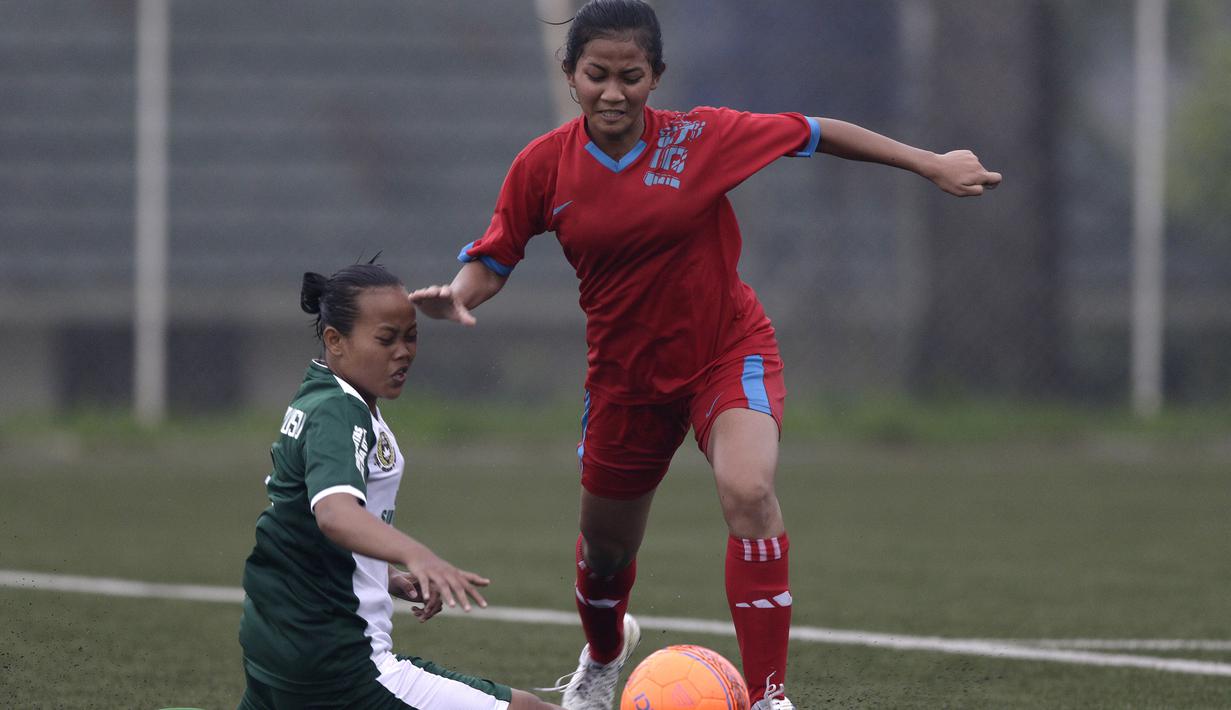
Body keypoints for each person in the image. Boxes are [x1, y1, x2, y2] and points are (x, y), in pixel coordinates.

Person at [410, 2, 1002, 708]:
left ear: (656, 76)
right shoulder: (542, 166)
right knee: (604, 556)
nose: (613, 91)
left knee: (748, 491)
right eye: (596, 74)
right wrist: (463, 292)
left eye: (630, 75)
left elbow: (812, 133)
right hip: (625, 381)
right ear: (570, 76)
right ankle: (602, 659)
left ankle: (769, 696)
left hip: (726, 349)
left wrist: (928, 163)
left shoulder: (699, 138)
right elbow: (496, 252)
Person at [238, 263, 562, 710]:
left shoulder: (324, 395)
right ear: (335, 340)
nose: (404, 352)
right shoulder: (338, 411)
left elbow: (299, 522)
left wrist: (386, 576)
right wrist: (418, 555)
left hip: (280, 647)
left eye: (411, 337)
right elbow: (334, 513)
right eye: (386, 339)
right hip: (338, 665)